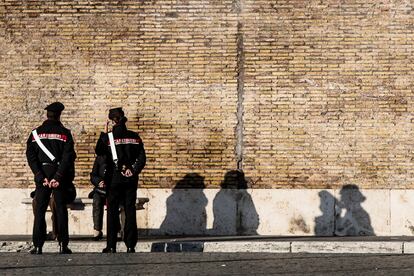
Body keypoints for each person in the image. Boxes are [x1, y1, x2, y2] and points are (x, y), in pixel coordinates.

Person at [26, 102, 76, 254]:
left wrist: (41, 176)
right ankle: (62, 244)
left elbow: (31, 156)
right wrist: (58, 177)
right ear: (59, 115)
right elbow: (68, 157)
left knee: (40, 211)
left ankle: (38, 245)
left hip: (42, 174)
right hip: (59, 175)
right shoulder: (65, 133)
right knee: (60, 210)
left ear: (47, 115)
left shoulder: (35, 134)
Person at [95, 107, 146, 253]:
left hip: (113, 178)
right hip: (130, 178)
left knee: (112, 211)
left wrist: (104, 133)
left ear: (112, 121)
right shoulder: (135, 136)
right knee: (130, 210)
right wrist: (133, 170)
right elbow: (142, 158)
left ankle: (111, 245)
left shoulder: (108, 137)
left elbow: (98, 151)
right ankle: (130, 245)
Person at [89, 154, 108, 241]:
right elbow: (93, 175)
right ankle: (97, 229)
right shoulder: (100, 157)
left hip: (114, 188)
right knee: (96, 199)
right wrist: (99, 182)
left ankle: (117, 228)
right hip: (101, 189)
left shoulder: (118, 156)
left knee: (113, 202)